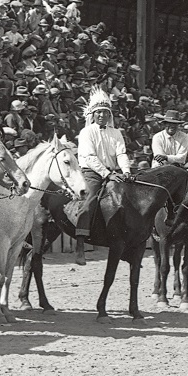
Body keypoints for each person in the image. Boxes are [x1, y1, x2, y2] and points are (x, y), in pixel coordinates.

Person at [74, 87, 130, 266]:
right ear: (93, 114)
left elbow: (121, 153)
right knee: (90, 200)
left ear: (109, 115)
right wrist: (107, 174)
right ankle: (80, 244)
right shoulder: (86, 132)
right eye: (98, 112)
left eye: (105, 112)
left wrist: (126, 171)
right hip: (92, 172)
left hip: (113, 171)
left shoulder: (116, 133)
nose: (102, 115)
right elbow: (90, 157)